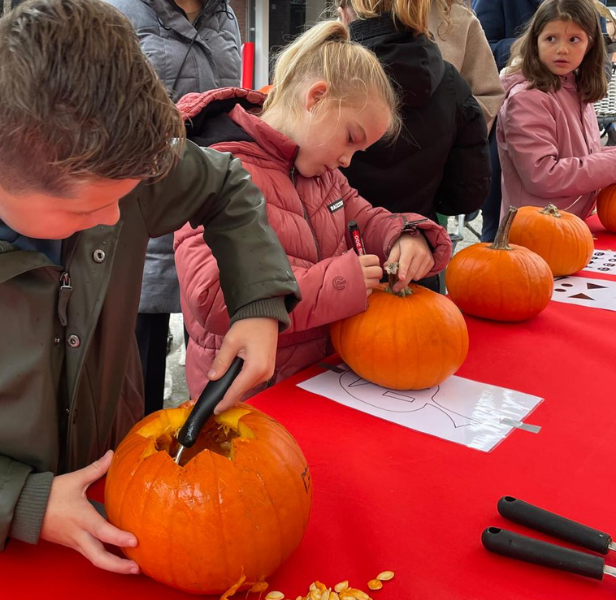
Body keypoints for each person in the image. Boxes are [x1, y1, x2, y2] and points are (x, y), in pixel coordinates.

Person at [0, 0, 300, 573]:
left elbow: (224, 184)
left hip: (123, 481)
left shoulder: (105, 157)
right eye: (88, 210)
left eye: (125, 197)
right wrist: (22, 502)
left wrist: (257, 300)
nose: (115, 219)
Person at [174, 20, 453, 399]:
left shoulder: (324, 176)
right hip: (250, 395)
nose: (348, 160)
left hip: (317, 382)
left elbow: (366, 219)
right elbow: (213, 296)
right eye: (350, 138)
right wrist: (339, 282)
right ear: (316, 98)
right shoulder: (216, 169)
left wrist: (406, 236)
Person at [104, 0, 242, 415]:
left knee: (209, 345)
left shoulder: (225, 17)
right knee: (138, 361)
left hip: (208, 198)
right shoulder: (117, 12)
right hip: (142, 208)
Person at [335, 0, 490, 292]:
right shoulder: (452, 84)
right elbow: (467, 196)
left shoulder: (325, 75)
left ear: (344, 12)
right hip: (415, 262)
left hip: (335, 268)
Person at [497, 0, 616, 219]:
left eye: (574, 39)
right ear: (535, 42)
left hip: (573, 220)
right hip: (535, 227)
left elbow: (585, 155)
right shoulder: (526, 99)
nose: (562, 49)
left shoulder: (575, 86)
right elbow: (543, 175)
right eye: (551, 38)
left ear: (590, 45)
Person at [430, 0, 505, 133]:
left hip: (443, 139)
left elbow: (488, 96)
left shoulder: (461, 20)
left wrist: (449, 130)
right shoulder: (387, 14)